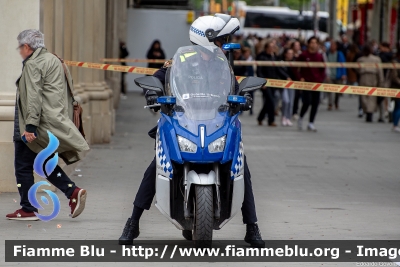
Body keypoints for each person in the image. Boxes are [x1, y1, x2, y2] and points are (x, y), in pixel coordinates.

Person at [118, 14, 265, 248]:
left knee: (240, 166)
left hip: (217, 121)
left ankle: (252, 226)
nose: (224, 43)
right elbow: (159, 78)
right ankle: (133, 222)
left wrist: (244, 97)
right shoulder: (181, 60)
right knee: (157, 164)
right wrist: (153, 94)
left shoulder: (223, 64)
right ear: (208, 39)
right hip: (184, 121)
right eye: (221, 39)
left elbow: (234, 87)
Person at [7, 29, 89, 221]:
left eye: (20, 47)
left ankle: (27, 209)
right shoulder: (54, 59)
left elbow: (33, 97)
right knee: (43, 164)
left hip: (33, 124)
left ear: (27, 47)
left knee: (23, 166)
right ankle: (73, 192)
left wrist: (30, 127)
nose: (19, 51)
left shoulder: (33, 64)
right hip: (50, 122)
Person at [256, 41, 290, 127]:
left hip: (273, 82)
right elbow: (259, 71)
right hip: (265, 83)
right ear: (267, 47)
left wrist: (286, 76)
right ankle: (271, 120)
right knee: (271, 101)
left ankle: (260, 117)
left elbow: (278, 69)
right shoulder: (262, 57)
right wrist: (262, 83)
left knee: (269, 101)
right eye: (271, 47)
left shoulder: (274, 57)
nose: (272, 49)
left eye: (273, 47)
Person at [296, 36, 326, 132]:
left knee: (315, 103)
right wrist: (300, 78)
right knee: (307, 102)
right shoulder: (303, 55)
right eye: (312, 42)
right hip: (306, 83)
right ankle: (301, 118)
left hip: (317, 83)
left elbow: (323, 69)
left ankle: (311, 123)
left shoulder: (320, 56)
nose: (314, 44)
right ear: (308, 44)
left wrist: (321, 79)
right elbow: (295, 68)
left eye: (315, 43)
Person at [357, 44, 384, 122]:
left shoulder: (376, 59)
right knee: (367, 98)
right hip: (368, 79)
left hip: (369, 79)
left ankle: (369, 112)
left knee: (368, 98)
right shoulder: (361, 59)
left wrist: (380, 82)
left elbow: (380, 72)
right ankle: (369, 111)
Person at [326, 40, 347, 110]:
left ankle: (336, 102)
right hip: (330, 75)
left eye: (333, 46)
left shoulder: (339, 54)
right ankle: (330, 104)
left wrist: (344, 74)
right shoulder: (327, 54)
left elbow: (343, 64)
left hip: (338, 75)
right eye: (331, 46)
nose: (332, 47)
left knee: (338, 91)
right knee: (330, 91)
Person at [280, 48, 297, 126]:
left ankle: (288, 118)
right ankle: (283, 116)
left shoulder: (294, 63)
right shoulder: (282, 62)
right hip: (283, 84)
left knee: (291, 102)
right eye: (289, 53)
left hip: (292, 84)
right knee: (285, 101)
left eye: (292, 53)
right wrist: (286, 77)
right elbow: (280, 71)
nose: (291, 55)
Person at [377, 42, 393, 122]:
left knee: (386, 97)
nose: (380, 49)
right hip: (386, 79)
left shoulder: (384, 56)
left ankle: (388, 112)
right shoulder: (390, 56)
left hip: (387, 79)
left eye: (381, 47)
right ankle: (388, 112)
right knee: (386, 98)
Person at [346, 44, 362, 117]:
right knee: (353, 81)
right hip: (352, 70)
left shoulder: (353, 54)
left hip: (352, 70)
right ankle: (353, 91)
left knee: (352, 81)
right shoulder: (355, 54)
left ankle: (352, 91)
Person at [390, 51, 400, 132]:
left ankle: (395, 123)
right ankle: (395, 124)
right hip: (397, 87)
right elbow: (394, 76)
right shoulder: (395, 63)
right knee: (398, 106)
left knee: (397, 107)